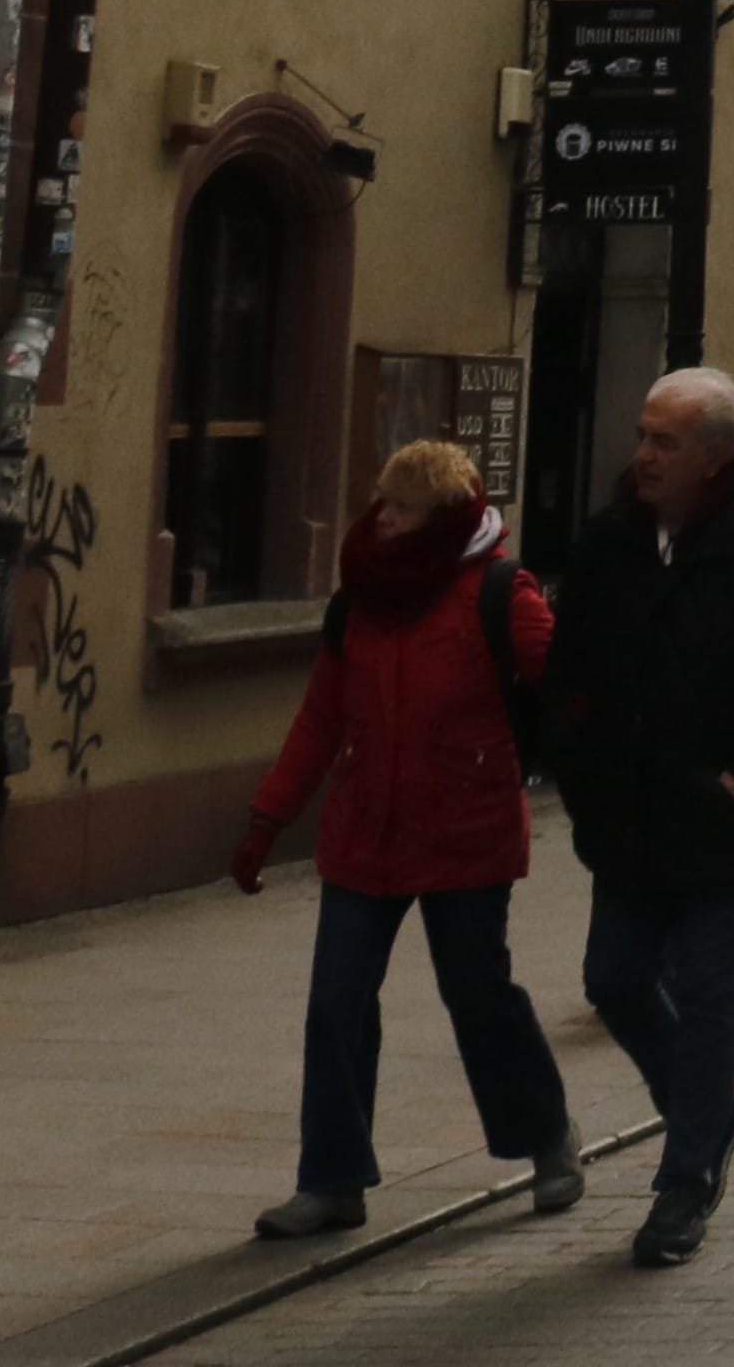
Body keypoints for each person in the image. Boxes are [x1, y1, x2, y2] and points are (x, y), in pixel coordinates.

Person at [542, 368, 734, 1268]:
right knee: (615, 979)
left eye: (665, 441)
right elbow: (568, 667)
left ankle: (683, 1183)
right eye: (642, 435)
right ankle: (708, 1113)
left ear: (717, 457)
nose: (642, 455)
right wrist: (577, 762)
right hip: (628, 816)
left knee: (712, 992)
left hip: (728, 822)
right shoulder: (611, 542)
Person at [232, 439, 577, 1237]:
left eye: (403, 507)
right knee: (336, 1008)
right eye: (382, 501)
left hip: (467, 833)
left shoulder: (500, 593)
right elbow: (320, 719)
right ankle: (332, 1180)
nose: (383, 518)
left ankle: (547, 1136)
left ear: (444, 517)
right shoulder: (359, 598)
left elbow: (570, 685)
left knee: (478, 996)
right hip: (366, 834)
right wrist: (266, 819)